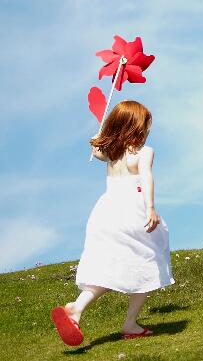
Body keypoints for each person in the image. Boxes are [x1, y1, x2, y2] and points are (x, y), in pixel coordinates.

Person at [51, 100, 174, 346]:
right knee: (149, 262)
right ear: (136, 125)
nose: (148, 128)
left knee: (110, 267)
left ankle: (76, 308)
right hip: (132, 211)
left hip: (106, 212)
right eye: (146, 123)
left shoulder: (109, 152)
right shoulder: (143, 152)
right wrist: (150, 207)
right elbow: (147, 177)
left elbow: (96, 149)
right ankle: (130, 323)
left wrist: (98, 136)